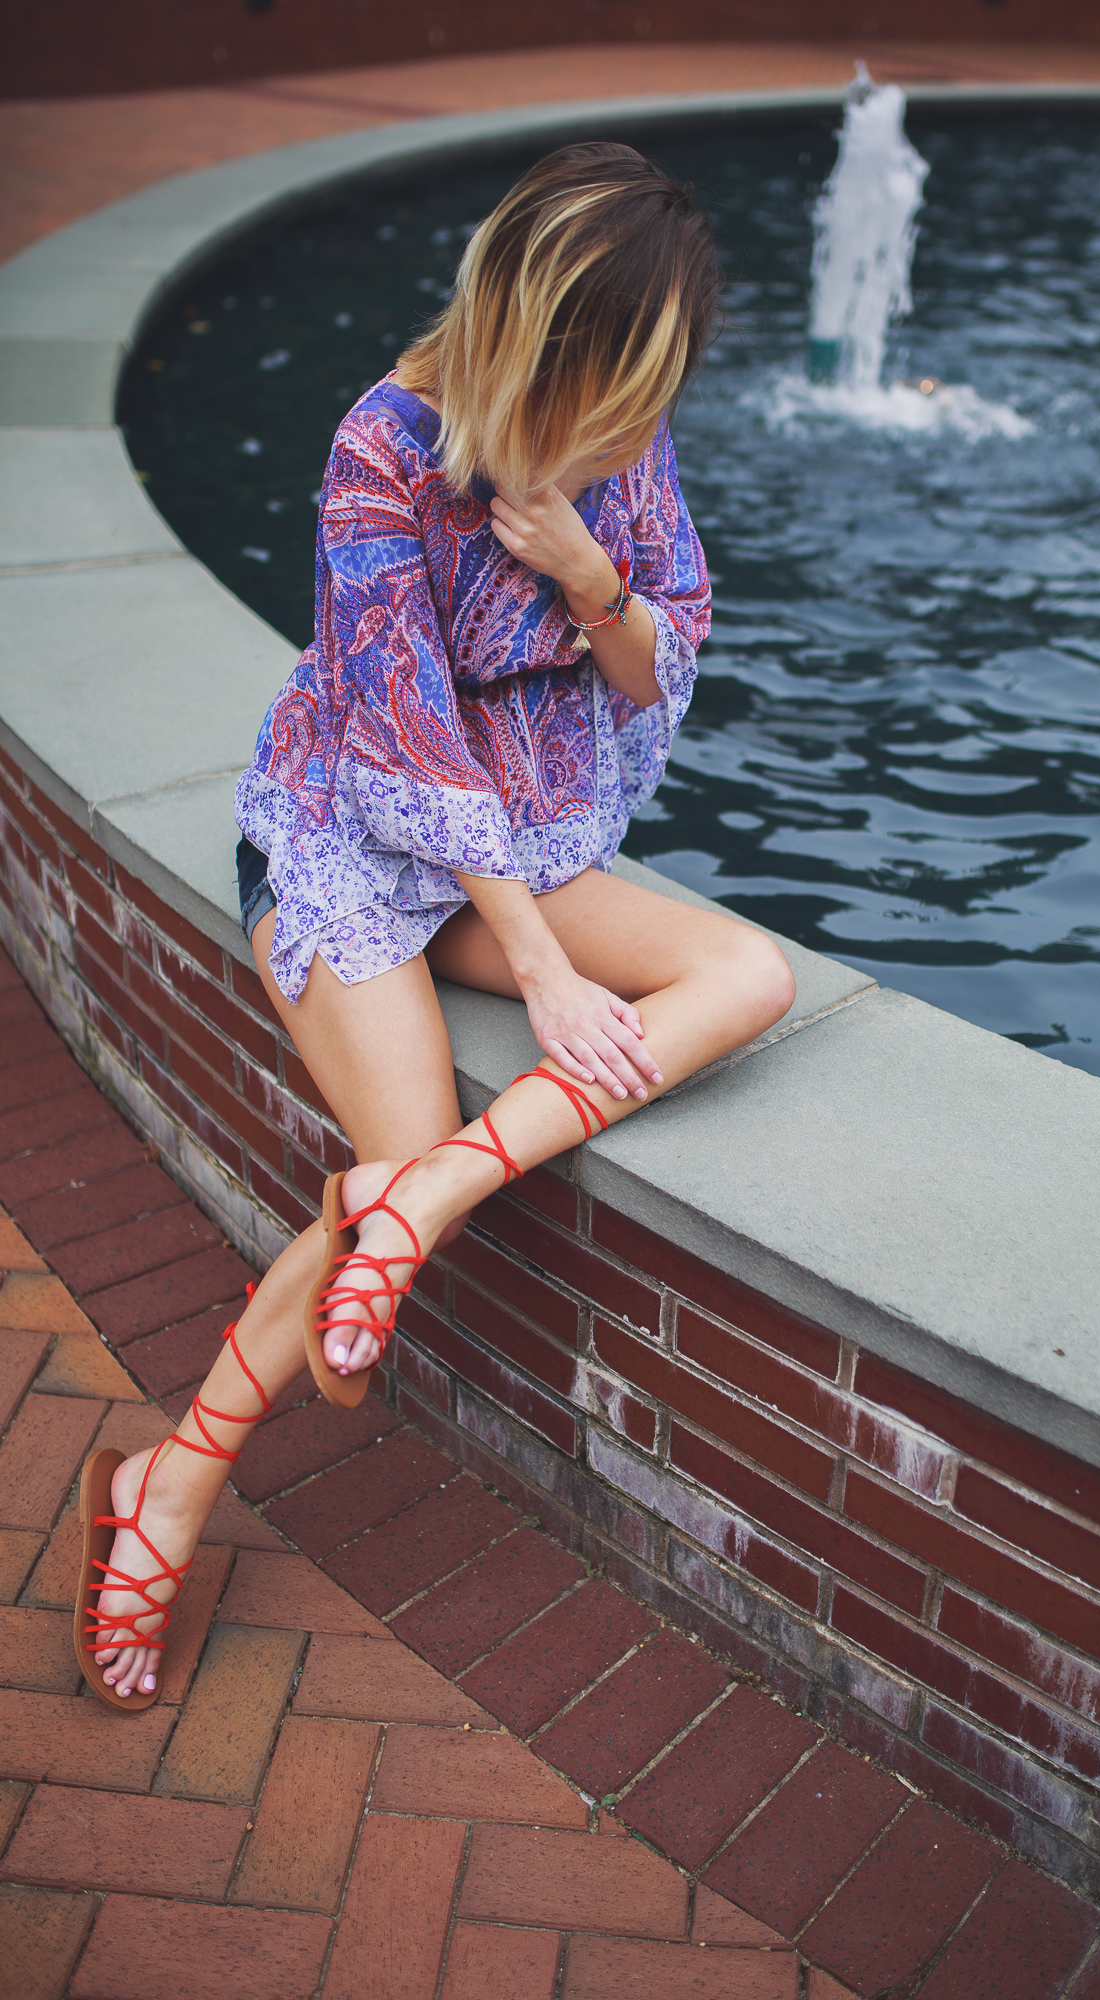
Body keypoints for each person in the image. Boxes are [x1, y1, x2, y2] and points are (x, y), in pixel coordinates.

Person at [74, 141, 795, 1708]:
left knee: (752, 972)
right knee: (376, 1183)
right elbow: (404, 739)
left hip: (525, 845)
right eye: (617, 382)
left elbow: (655, 664)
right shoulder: (380, 451)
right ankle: (170, 1490)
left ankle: (418, 1205)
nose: (634, 423)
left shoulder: (620, 439)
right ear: (542, 334)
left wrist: (595, 573)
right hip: (349, 835)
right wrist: (537, 963)